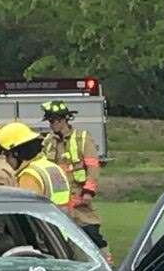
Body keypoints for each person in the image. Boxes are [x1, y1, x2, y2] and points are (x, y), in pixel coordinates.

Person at [41, 101, 112, 262]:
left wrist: (88, 191)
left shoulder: (82, 138)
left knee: (92, 235)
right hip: (57, 203)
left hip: (79, 199)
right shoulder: (47, 143)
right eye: (50, 121)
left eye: (53, 121)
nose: (52, 125)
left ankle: (105, 265)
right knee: (60, 240)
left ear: (63, 120)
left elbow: (93, 166)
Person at [0, 122, 71, 206]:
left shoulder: (29, 176)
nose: (6, 160)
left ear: (17, 153)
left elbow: (27, 211)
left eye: (7, 155)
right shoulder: (53, 167)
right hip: (62, 218)